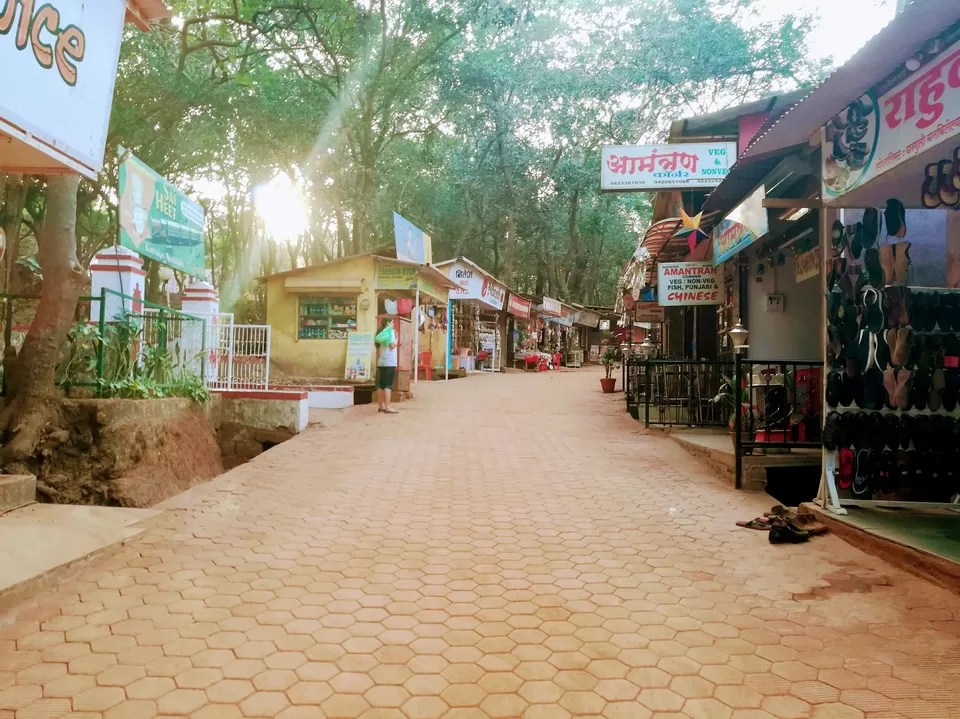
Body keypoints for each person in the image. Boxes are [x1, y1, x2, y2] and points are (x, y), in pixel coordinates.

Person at [376, 317, 399, 414]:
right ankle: (388, 406)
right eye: (392, 322)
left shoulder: (380, 333)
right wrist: (397, 339)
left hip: (381, 362)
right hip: (390, 362)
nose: (393, 324)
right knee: (388, 385)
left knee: (380, 385)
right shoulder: (391, 332)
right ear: (388, 323)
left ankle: (380, 406)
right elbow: (392, 346)